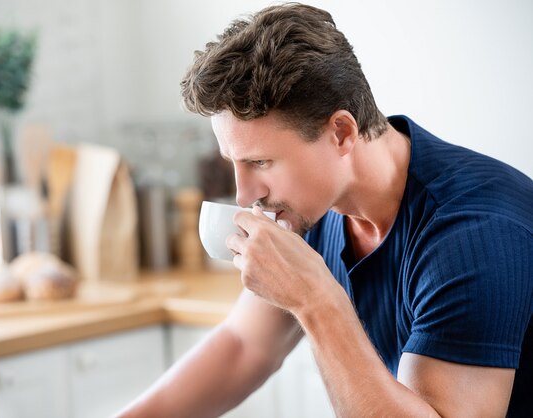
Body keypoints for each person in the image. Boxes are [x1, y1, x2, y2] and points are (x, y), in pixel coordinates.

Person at [116, 3, 533, 417]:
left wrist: (316, 301)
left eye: (260, 162)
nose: (244, 195)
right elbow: (245, 346)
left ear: (341, 133)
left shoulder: (473, 235)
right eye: (235, 163)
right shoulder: (313, 207)